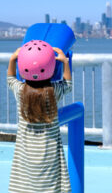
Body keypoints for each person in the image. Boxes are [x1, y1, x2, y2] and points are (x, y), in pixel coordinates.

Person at [7, 40, 72, 192]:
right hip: (49, 153)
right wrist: (65, 62)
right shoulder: (53, 91)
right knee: (50, 186)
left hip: (26, 154)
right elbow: (68, 84)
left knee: (25, 184)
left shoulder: (20, 91)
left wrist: (12, 58)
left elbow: (10, 79)